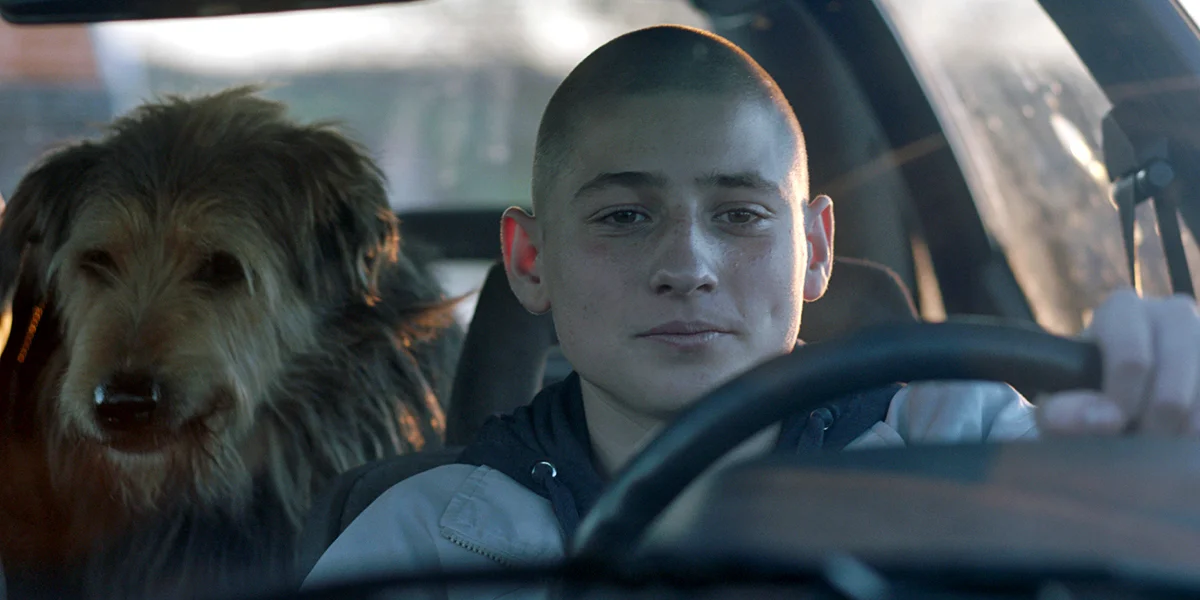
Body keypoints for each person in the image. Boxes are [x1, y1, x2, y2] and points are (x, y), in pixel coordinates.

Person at [301, 24, 1200, 597]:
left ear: (815, 249)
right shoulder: (421, 542)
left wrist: (1165, 426)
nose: (687, 268)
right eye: (624, 217)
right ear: (531, 260)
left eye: (739, 215)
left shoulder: (969, 443)